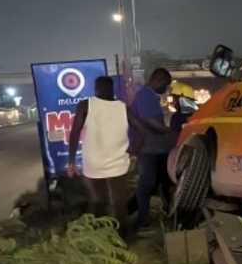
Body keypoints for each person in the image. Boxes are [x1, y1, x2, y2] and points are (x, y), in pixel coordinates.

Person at [66, 76, 132, 235]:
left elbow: (74, 133)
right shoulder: (123, 107)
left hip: (93, 163)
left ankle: (98, 235)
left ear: (96, 89)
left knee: (98, 201)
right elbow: (141, 130)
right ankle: (123, 237)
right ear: (112, 89)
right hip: (118, 163)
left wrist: (71, 161)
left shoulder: (85, 105)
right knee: (119, 203)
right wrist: (134, 150)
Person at [131, 68, 175, 228]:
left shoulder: (150, 96)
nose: (166, 88)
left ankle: (170, 213)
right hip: (148, 149)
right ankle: (142, 219)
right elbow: (149, 121)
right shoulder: (145, 95)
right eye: (165, 84)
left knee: (164, 182)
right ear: (158, 80)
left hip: (157, 148)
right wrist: (169, 131)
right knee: (147, 183)